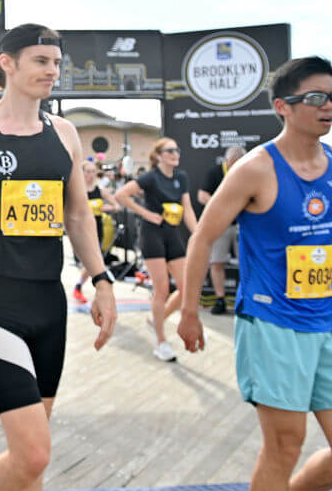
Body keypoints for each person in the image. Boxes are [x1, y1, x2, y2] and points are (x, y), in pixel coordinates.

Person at [0, 23, 117, 491]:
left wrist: (101, 280)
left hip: (48, 301)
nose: (53, 72)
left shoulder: (64, 134)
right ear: (7, 63)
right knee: (34, 451)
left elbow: (79, 216)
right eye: (42, 61)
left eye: (58, 64)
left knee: (34, 442)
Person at [178, 56, 332, 491]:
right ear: (284, 106)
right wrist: (188, 312)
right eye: (317, 98)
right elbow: (203, 236)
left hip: (327, 322)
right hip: (273, 324)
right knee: (285, 444)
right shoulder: (255, 168)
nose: (328, 106)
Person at [116, 137, 198, 362]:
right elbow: (121, 195)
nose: (175, 154)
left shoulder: (181, 177)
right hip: (152, 236)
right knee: (161, 289)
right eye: (169, 150)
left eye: (177, 150)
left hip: (173, 235)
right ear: (158, 155)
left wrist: (199, 234)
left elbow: (187, 208)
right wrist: (145, 213)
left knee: (185, 287)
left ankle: (156, 320)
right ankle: (161, 343)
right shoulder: (150, 177)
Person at [197, 145, 247, 315]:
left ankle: (246, 299)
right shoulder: (215, 172)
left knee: (247, 263)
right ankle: (220, 299)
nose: (237, 167)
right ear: (228, 161)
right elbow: (202, 196)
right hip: (221, 225)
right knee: (217, 262)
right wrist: (222, 206)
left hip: (243, 225)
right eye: (235, 163)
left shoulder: (247, 172)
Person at [73, 160, 121, 303]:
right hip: (81, 229)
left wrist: (105, 208)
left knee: (95, 260)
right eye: (87, 171)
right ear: (81, 173)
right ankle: (86, 287)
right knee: (91, 261)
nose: (91, 175)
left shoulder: (100, 190)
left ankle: (82, 287)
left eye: (93, 172)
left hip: (97, 228)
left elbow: (116, 206)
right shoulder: (77, 190)